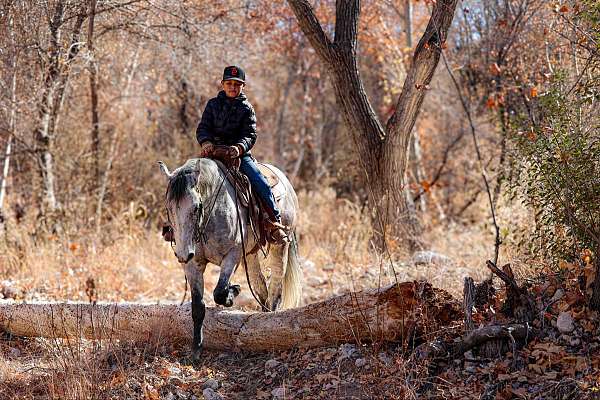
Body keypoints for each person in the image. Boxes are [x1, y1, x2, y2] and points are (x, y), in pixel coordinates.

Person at [196, 65, 288, 244]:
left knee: (259, 181)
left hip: (238, 155)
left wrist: (239, 147)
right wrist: (206, 142)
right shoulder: (212, 104)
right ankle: (175, 223)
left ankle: (274, 221)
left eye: (237, 84)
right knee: (187, 177)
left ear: (243, 86)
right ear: (222, 84)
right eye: (229, 83)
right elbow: (203, 127)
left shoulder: (247, 108)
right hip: (213, 153)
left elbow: (250, 134)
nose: (232, 87)